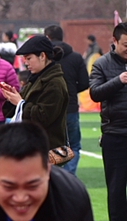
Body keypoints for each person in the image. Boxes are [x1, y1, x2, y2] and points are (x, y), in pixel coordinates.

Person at [90, 23, 127, 221]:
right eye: (125, 45)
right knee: (115, 183)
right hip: (114, 131)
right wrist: (118, 81)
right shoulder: (101, 64)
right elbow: (94, 93)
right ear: (115, 42)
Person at [0, 36, 68, 151]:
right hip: (30, 144)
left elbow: (43, 117)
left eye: (29, 58)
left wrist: (20, 103)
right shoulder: (36, 78)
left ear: (42, 56)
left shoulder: (54, 83)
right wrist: (12, 97)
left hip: (45, 147)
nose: (26, 63)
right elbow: (12, 112)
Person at [44, 25, 89, 175]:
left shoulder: (45, 57)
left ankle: (55, 176)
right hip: (70, 107)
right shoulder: (76, 57)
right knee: (74, 144)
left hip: (50, 108)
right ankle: (68, 176)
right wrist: (71, 91)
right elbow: (84, 82)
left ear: (47, 37)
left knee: (52, 144)